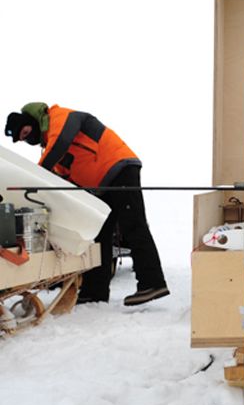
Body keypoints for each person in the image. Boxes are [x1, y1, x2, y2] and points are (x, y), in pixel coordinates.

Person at [5, 103, 169, 306]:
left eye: (27, 132)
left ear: (32, 121)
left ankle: (152, 282)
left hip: (119, 169)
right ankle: (95, 291)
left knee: (133, 225)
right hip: (101, 186)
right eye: (23, 139)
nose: (28, 139)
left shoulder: (62, 117)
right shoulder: (52, 151)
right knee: (98, 235)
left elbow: (61, 142)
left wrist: (34, 179)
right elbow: (63, 180)